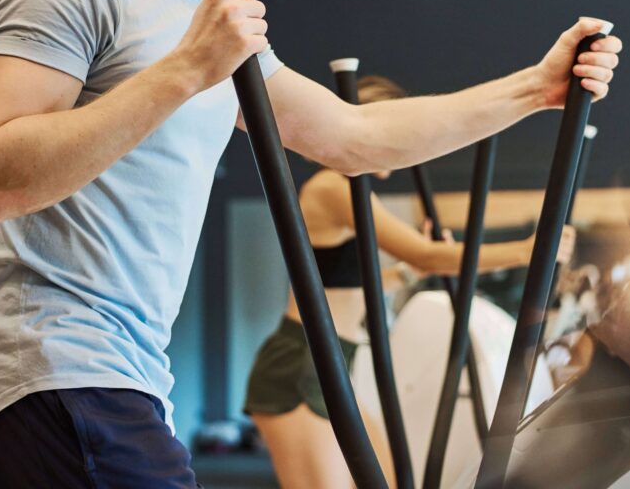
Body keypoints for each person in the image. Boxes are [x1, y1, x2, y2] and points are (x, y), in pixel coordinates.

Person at [0, 0, 622, 488]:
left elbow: (357, 139)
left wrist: (535, 87)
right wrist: (184, 70)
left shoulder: (213, 17)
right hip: (54, 362)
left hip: (128, 374)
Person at [243, 75, 577, 489]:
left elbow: (349, 284)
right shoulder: (335, 188)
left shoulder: (348, 191)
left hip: (333, 359)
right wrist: (526, 251)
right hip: (300, 364)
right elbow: (427, 253)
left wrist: (410, 273)